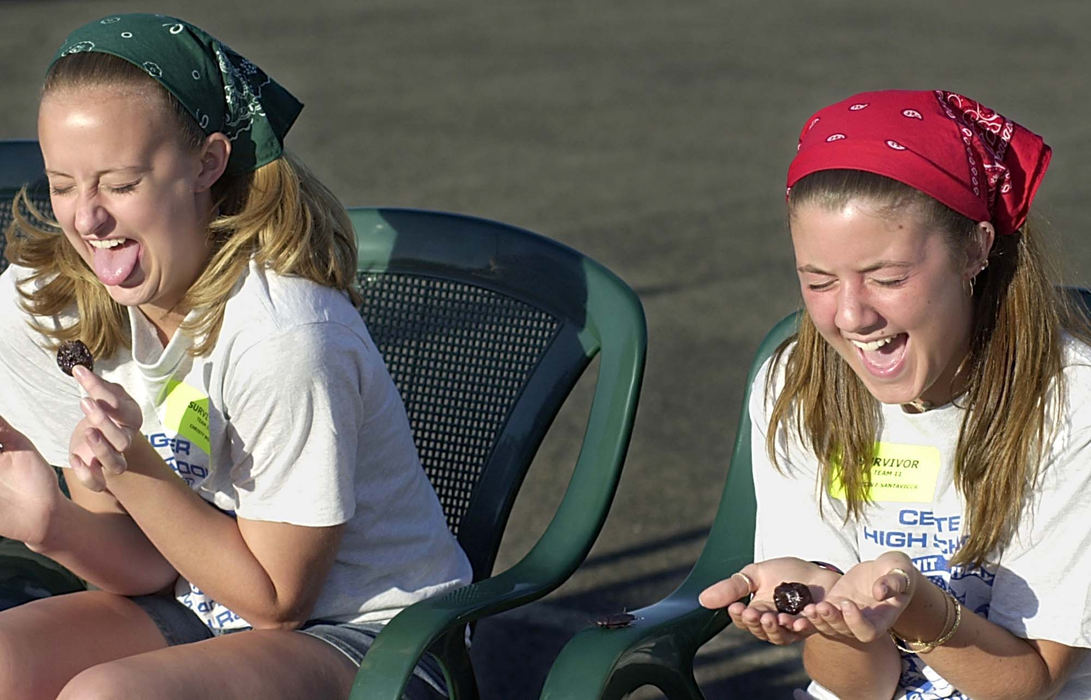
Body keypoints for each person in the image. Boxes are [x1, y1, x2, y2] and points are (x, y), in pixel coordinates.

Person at [0, 13, 472, 699]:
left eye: (120, 184)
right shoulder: (49, 307)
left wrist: (131, 467)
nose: (87, 220)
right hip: (194, 604)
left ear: (207, 163)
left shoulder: (286, 338)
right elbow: (150, 569)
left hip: (367, 638)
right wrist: (52, 524)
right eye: (64, 184)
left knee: (108, 697)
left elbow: (278, 603)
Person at [698, 89, 1091, 699]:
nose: (853, 316)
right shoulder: (796, 388)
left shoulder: (1070, 402)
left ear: (976, 249)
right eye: (819, 281)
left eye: (888, 278)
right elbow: (860, 688)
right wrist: (834, 618)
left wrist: (914, 606)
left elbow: (1028, 682)